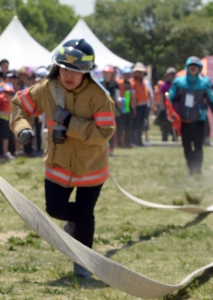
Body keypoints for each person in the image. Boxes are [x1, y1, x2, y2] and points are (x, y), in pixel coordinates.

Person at [11, 39, 115, 278]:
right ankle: (74, 224)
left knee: (84, 214)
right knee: (55, 208)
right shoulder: (48, 87)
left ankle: (84, 263)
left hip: (91, 168)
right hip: (57, 165)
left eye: (75, 71)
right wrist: (22, 128)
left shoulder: (99, 96)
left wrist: (70, 123)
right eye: (65, 68)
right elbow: (19, 104)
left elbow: (104, 132)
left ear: (86, 73)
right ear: (58, 67)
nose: (69, 75)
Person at [168, 57, 213, 176]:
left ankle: (197, 170)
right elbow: (170, 99)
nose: (193, 67)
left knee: (198, 145)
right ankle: (191, 168)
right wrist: (170, 112)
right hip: (183, 120)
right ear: (187, 67)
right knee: (186, 146)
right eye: (191, 65)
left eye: (196, 66)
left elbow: (212, 101)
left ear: (199, 68)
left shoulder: (204, 83)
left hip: (199, 120)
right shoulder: (178, 82)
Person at [100, 65, 120, 155]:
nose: (106, 75)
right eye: (105, 73)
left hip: (112, 109)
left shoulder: (115, 84)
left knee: (111, 129)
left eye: (108, 73)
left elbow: (117, 97)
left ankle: (111, 148)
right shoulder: (100, 83)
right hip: (101, 109)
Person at [116, 66, 135, 148]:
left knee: (129, 126)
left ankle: (128, 143)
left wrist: (134, 108)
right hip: (121, 107)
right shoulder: (119, 83)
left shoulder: (131, 84)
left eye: (129, 74)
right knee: (120, 126)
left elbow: (133, 96)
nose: (127, 76)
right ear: (123, 75)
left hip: (129, 107)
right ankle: (119, 143)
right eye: (126, 74)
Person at [131, 62, 149, 146]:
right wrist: (134, 108)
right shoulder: (133, 83)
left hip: (144, 106)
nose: (141, 74)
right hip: (137, 106)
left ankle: (139, 141)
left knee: (142, 124)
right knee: (136, 124)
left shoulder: (143, 82)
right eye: (139, 72)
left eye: (141, 72)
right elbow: (133, 96)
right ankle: (135, 140)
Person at [156, 67, 177, 141]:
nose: (172, 76)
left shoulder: (177, 84)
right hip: (166, 107)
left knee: (175, 123)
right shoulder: (164, 85)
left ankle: (175, 138)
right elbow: (161, 95)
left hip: (175, 107)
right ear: (167, 76)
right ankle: (164, 138)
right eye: (170, 74)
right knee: (165, 125)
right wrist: (162, 106)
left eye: (173, 74)